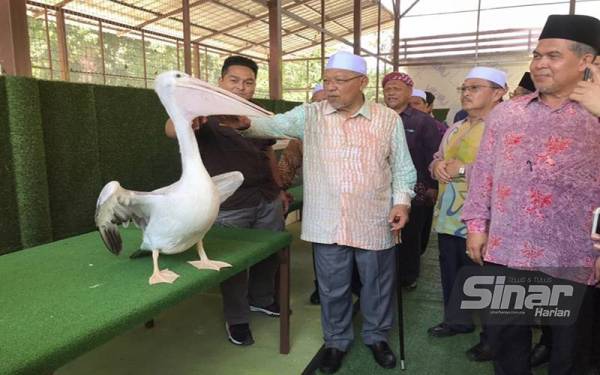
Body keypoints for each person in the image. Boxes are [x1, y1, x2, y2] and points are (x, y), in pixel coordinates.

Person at [222, 50, 416, 373]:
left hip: (374, 220)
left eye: (340, 81)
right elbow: (272, 123)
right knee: (331, 286)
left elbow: (403, 170)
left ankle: (376, 337)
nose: (331, 87)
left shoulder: (388, 119)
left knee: (378, 285)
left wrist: (401, 202)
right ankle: (336, 341)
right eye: (327, 81)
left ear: (363, 82)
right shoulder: (310, 115)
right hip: (327, 222)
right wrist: (243, 123)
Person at [463, 14, 600, 375]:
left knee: (570, 350)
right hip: (508, 249)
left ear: (586, 62)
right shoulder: (507, 114)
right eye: (537, 55)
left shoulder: (596, 115)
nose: (539, 63)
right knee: (507, 342)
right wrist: (477, 225)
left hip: (575, 254)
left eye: (552, 55)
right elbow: (483, 173)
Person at [165, 55, 285, 347]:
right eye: (235, 80)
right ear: (220, 81)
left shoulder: (255, 114)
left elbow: (268, 153)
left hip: (266, 197)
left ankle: (262, 299)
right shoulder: (202, 112)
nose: (242, 87)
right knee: (231, 265)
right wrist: (186, 120)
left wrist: (279, 189)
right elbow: (171, 128)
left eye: (248, 82)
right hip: (229, 205)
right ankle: (237, 319)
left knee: (269, 254)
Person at [427, 66, 507, 363]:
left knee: (486, 279)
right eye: (464, 88)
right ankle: (457, 321)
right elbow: (439, 158)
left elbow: (508, 172)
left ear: (499, 93)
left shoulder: (505, 128)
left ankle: (492, 338)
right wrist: (436, 166)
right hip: (449, 217)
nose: (466, 93)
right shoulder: (456, 126)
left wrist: (462, 169)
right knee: (453, 271)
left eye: (475, 87)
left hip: (486, 220)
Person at [278, 83, 361, 306]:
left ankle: (355, 284)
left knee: (353, 247)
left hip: (356, 204)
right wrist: (280, 190)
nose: (322, 107)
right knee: (323, 249)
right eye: (317, 102)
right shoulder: (301, 138)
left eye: (327, 101)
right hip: (321, 207)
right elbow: (285, 168)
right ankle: (322, 287)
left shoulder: (358, 129)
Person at [382, 74, 442, 290]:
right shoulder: (377, 117)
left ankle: (407, 278)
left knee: (409, 236)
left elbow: (432, 156)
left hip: (414, 189)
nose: (391, 93)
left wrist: (432, 187)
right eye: (387, 89)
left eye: (396, 88)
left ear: (409, 92)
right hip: (381, 188)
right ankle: (385, 276)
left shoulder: (423, 121)